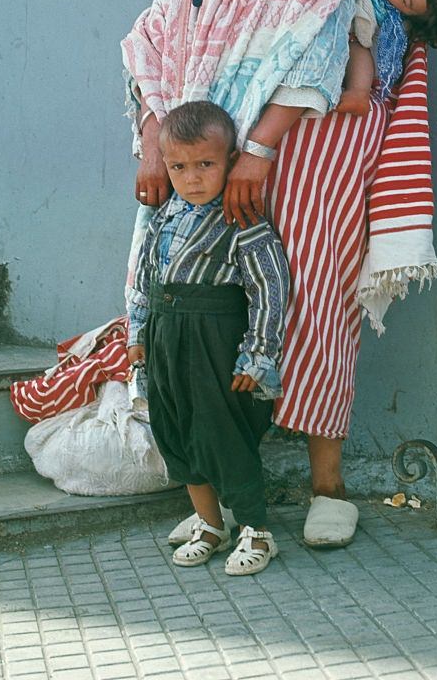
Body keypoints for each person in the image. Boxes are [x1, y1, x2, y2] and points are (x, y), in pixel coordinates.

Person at [106, 0, 437, 549]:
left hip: (313, 150)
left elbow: (317, 41)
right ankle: (229, 497)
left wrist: (261, 150)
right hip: (209, 154)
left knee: (313, 299)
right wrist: (153, 139)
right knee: (214, 314)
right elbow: (158, 34)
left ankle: (326, 485)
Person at [125, 101, 288, 576]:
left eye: (205, 164)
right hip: (164, 336)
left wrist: (256, 355)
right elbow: (144, 280)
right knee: (175, 430)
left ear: (230, 162)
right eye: (178, 166)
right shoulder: (162, 221)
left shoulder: (242, 220)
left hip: (215, 338)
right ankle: (209, 523)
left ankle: (256, 531)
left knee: (221, 433)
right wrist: (138, 333)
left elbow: (269, 288)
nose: (192, 178)